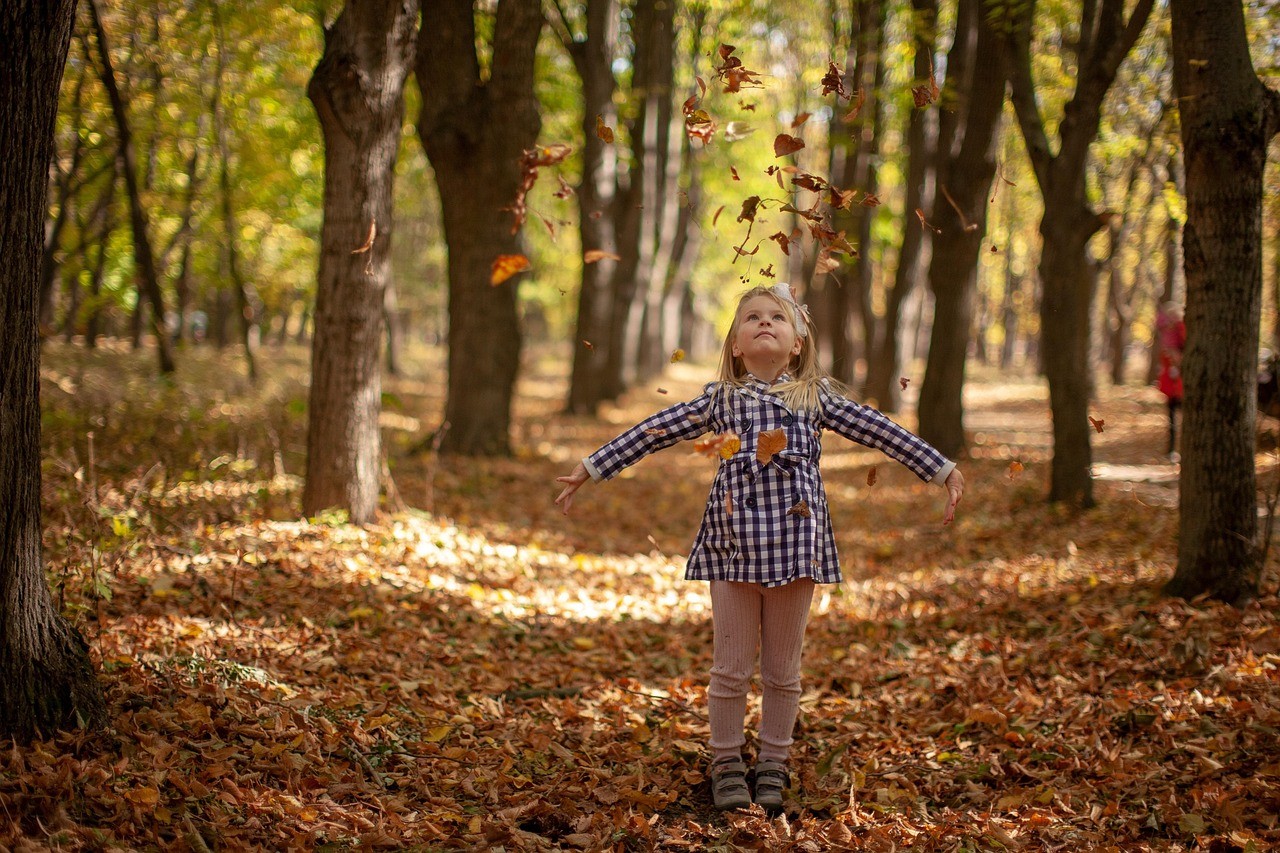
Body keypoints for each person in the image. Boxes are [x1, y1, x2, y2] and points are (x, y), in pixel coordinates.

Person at [554, 284, 965, 814]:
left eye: (777, 317)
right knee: (730, 669)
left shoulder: (814, 398)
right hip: (732, 548)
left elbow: (880, 430)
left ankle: (773, 761)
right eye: (752, 318)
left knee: (781, 670)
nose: (764, 323)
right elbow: (655, 429)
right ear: (735, 345)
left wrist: (943, 469)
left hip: (797, 548)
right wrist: (592, 466)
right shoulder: (720, 400)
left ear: (797, 343)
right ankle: (725, 761)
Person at [1156, 302, 1186, 459]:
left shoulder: (1181, 331)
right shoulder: (1167, 340)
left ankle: (1179, 448)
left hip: (1181, 385)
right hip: (1172, 386)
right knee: (1172, 419)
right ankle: (1172, 449)